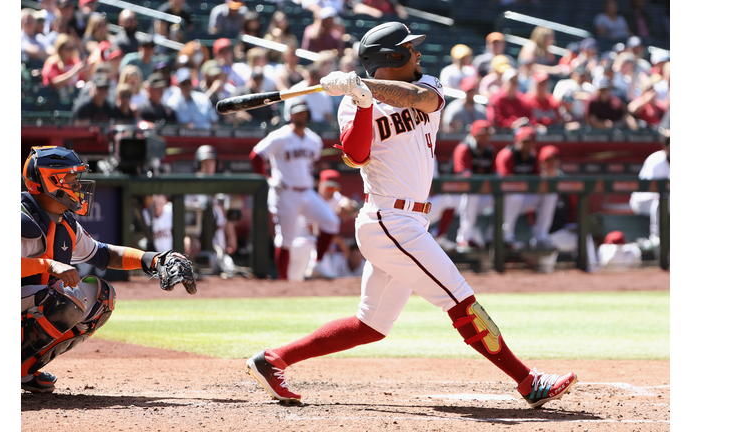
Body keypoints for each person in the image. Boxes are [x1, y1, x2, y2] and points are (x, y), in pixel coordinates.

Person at [245, 21, 576, 408]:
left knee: (370, 325)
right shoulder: (351, 103)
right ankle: (527, 381)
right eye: (409, 48)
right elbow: (356, 155)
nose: (417, 53)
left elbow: (421, 98)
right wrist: (362, 102)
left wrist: (366, 88)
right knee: (461, 301)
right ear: (392, 57)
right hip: (388, 219)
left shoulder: (428, 85)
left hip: (408, 221)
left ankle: (272, 361)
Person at [21, 146, 195, 393]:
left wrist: (153, 260)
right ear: (51, 180)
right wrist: (48, 264)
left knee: (101, 296)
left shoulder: (64, 222)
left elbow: (104, 254)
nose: (78, 186)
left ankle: (23, 369)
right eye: (72, 178)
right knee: (66, 298)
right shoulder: (20, 215)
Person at [249, 100, 340, 280]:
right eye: (298, 113)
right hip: (286, 192)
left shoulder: (314, 140)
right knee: (286, 240)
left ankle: (317, 264)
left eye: (304, 112)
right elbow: (256, 156)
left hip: (307, 192)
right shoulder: (280, 136)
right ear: (290, 115)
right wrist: (267, 179)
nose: (302, 116)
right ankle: (284, 280)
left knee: (331, 222)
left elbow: (311, 163)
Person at [495, 126, 558, 250]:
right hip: (500, 199)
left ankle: (541, 236)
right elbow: (505, 183)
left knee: (551, 194)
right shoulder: (507, 154)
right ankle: (506, 236)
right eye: (525, 142)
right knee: (515, 195)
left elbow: (537, 182)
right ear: (517, 141)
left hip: (521, 198)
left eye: (531, 142)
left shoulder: (533, 157)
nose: (528, 145)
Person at [185, 146, 239, 277]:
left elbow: (226, 216)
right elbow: (186, 216)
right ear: (199, 164)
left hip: (218, 236)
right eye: (205, 162)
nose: (209, 166)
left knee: (226, 267)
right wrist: (187, 237)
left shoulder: (220, 184)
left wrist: (231, 236)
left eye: (212, 162)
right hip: (198, 238)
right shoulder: (192, 185)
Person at [453, 120, 497, 250]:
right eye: (481, 135)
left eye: (487, 135)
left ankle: (494, 237)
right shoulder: (464, 148)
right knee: (472, 192)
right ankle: (464, 238)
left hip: (480, 195)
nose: (485, 138)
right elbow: (462, 176)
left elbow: (496, 175)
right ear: (473, 135)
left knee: (503, 197)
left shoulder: (490, 150)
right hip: (454, 196)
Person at [629, 136, 669, 247]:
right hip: (642, 201)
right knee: (661, 197)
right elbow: (652, 188)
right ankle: (655, 236)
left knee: (664, 197)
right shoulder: (656, 159)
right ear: (666, 147)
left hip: (664, 201)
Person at [282, 52, 337, 125]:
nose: (320, 82)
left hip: (320, 127)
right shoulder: (296, 90)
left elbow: (328, 115)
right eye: (318, 79)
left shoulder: (324, 94)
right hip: (301, 126)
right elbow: (289, 115)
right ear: (311, 76)